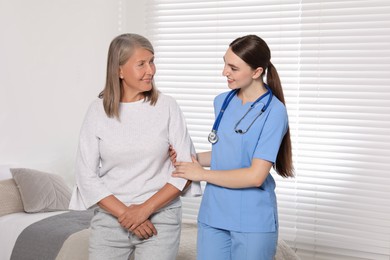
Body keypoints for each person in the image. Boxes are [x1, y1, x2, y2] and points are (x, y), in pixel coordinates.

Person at [68, 33, 200, 260]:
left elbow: (185, 170)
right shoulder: (97, 111)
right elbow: (86, 176)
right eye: (141, 64)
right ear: (119, 71)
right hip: (110, 218)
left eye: (152, 61)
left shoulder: (167, 106)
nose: (150, 70)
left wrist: (144, 210)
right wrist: (127, 215)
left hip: (161, 217)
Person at [171, 35, 294, 260]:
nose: (224, 72)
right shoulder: (222, 102)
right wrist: (190, 158)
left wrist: (202, 174)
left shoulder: (274, 112)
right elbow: (226, 152)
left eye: (233, 68)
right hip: (213, 213)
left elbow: (256, 176)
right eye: (225, 63)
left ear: (257, 72)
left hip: (252, 218)